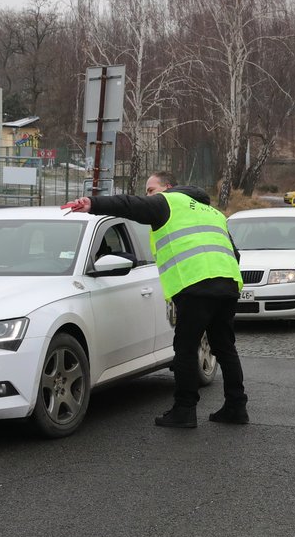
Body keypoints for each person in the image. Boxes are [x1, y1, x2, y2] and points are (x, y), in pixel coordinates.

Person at [66, 171, 249, 428]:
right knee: (225, 347)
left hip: (195, 285)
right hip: (228, 284)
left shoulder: (169, 201)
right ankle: (236, 407)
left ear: (168, 188)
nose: (148, 196)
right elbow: (234, 253)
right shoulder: (214, 212)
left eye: (151, 190)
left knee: (185, 349)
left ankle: (184, 410)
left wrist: (92, 204)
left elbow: (129, 205)